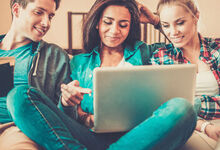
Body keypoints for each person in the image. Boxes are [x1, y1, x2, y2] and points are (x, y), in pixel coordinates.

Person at [7, 0, 196, 149]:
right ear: (97, 23)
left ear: (131, 27)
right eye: (108, 22)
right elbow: (67, 117)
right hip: (89, 136)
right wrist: (68, 104)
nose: (114, 31)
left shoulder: (144, 52)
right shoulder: (78, 62)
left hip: (138, 135)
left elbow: (181, 43)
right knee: (20, 95)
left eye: (123, 25)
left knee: (183, 108)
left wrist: (155, 21)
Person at [0, 0, 72, 149]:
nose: (46, 23)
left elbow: (64, 119)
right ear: (17, 10)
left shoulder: (55, 56)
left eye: (50, 16)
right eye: (39, 12)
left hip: (17, 128)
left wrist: (67, 103)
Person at [150, 0, 220, 149]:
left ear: (196, 17)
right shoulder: (161, 57)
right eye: (166, 25)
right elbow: (164, 107)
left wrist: (194, 103)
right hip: (188, 127)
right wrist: (203, 125)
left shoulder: (217, 48)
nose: (173, 32)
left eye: (180, 23)